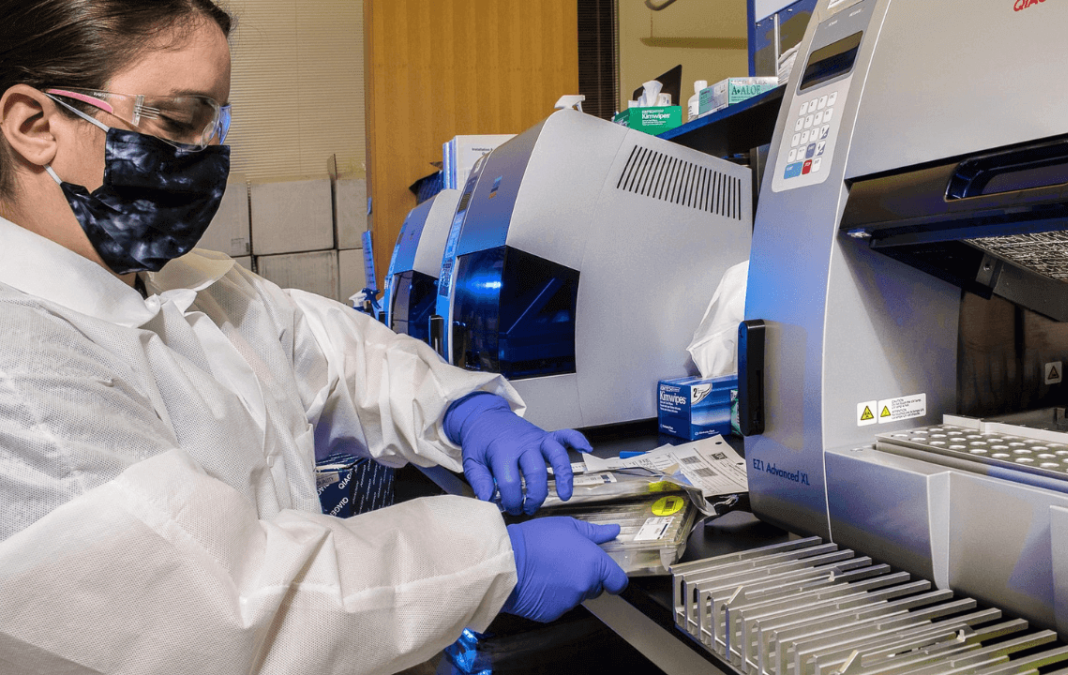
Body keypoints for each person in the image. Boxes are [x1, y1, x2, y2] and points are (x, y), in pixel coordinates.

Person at [0, 1, 628, 673]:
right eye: (179, 120)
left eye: (217, 123)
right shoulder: (21, 367)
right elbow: (228, 611)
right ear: (35, 125)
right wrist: (492, 561)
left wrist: (464, 410)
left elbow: (339, 356)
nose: (207, 153)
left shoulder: (181, 284)